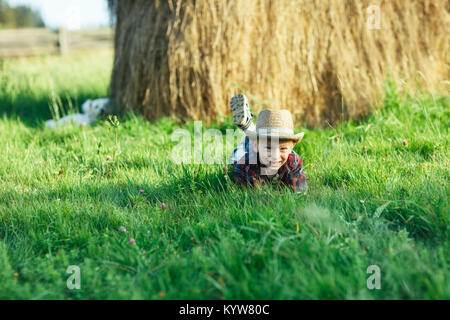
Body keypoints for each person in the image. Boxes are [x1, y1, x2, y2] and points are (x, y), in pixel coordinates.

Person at [229, 93, 307, 193]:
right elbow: (250, 198)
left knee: (261, 141)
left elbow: (300, 194)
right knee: (238, 155)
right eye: (269, 148)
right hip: (248, 154)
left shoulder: (293, 162)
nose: (275, 156)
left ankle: (248, 125)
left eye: (282, 148)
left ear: (292, 147)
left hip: (259, 146)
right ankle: (250, 129)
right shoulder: (245, 164)